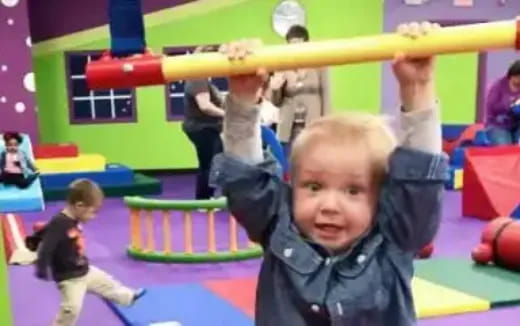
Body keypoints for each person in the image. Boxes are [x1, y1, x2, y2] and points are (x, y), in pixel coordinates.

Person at [211, 21, 447, 325]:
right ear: (292, 187)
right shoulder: (278, 224)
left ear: (382, 199)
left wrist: (418, 88)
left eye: (352, 191)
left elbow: (419, 181)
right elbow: (246, 179)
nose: (329, 206)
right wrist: (243, 100)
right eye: (313, 186)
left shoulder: (395, 237)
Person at [33, 179, 146, 326]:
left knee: (108, 284)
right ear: (79, 206)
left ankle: (129, 297)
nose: (94, 217)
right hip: (70, 279)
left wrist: (37, 235)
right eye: (93, 212)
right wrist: (42, 268)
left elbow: (46, 231)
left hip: (85, 270)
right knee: (72, 309)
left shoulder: (72, 218)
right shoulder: (59, 223)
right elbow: (47, 247)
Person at [267, 25, 331, 157]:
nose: (295, 48)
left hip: (312, 125)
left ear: (306, 43)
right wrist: (274, 89)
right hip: (288, 127)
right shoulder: (282, 65)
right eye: (291, 44)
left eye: (298, 44)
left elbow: (326, 96)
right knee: (288, 167)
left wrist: (326, 125)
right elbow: (276, 102)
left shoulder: (320, 64)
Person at [182, 44, 225, 199]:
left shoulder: (203, 79)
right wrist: (227, 115)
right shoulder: (197, 78)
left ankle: (207, 197)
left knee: (212, 162)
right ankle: (203, 200)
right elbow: (205, 106)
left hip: (207, 127)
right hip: (202, 128)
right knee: (208, 163)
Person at [484, 60, 520, 144]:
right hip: (497, 125)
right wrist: (510, 106)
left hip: (516, 125)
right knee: (504, 146)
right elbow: (492, 107)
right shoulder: (498, 86)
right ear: (513, 75)